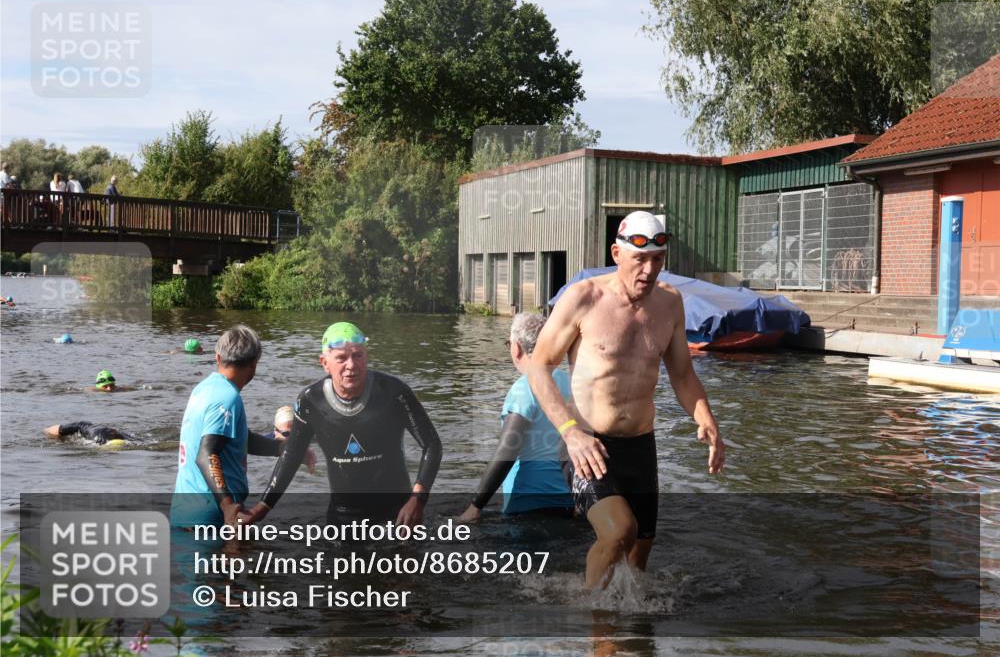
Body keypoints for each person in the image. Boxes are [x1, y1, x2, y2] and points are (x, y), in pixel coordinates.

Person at [527, 210, 725, 589]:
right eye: (640, 259)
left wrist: (706, 417)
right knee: (620, 531)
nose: (649, 271)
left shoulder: (669, 304)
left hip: (640, 446)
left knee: (639, 552)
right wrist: (570, 432)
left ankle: (631, 636)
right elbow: (539, 367)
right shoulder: (583, 298)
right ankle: (593, 625)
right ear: (617, 254)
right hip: (588, 445)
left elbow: (682, 374)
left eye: (657, 260)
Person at [240, 322, 443, 528]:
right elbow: (292, 455)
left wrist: (418, 499)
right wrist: (262, 507)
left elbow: (432, 444)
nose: (351, 365)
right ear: (324, 362)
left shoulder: (392, 392)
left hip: (398, 513)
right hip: (343, 516)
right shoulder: (311, 401)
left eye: (357, 355)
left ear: (367, 356)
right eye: (341, 358)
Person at [459, 313, 573, 522]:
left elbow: (508, 448)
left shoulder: (524, 387)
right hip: (568, 501)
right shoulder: (569, 383)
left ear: (516, 348)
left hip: (527, 504)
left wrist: (476, 506)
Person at [170, 325, 284, 528]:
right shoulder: (227, 398)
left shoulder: (203, 389)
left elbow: (240, 439)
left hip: (185, 510)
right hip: (211, 515)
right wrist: (227, 505)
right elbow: (206, 454)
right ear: (254, 363)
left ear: (217, 357)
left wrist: (282, 448)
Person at [44, 421, 135, 447]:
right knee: (58, 432)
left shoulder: (127, 439)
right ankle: (46, 429)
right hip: (86, 427)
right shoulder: (95, 439)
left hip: (116, 435)